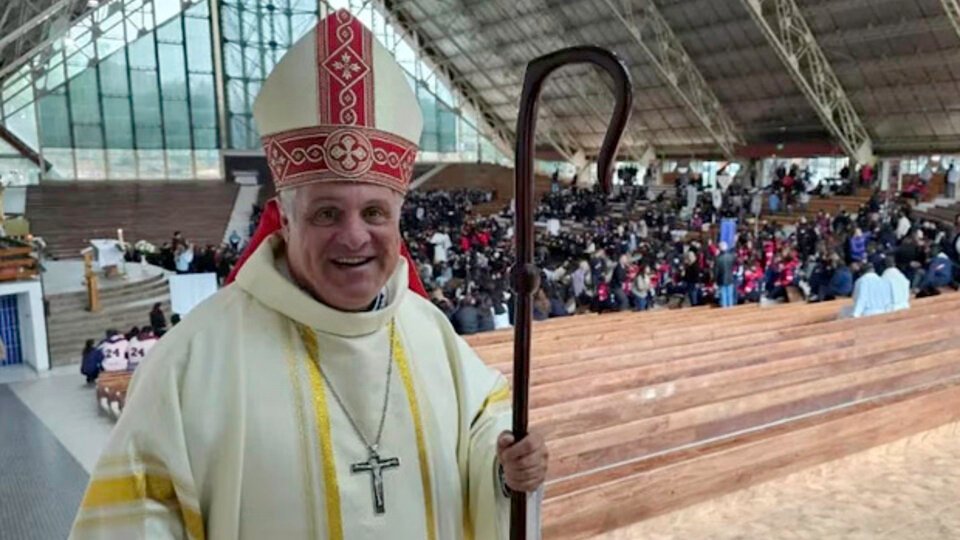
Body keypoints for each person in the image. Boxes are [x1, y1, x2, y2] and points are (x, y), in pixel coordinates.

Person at [71, 11, 546, 539]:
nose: (354, 236)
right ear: (285, 219)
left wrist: (504, 469)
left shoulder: (428, 332)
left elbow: (486, 425)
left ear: (398, 220)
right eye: (326, 214)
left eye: (374, 213)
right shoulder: (191, 363)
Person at [715, 241, 736, 308]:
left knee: (723, 294)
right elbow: (733, 265)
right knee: (730, 294)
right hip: (730, 277)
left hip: (722, 278)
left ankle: (724, 308)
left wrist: (715, 279)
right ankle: (730, 306)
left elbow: (716, 271)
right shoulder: (731, 256)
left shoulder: (718, 258)